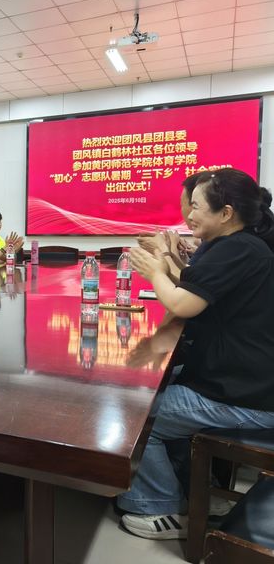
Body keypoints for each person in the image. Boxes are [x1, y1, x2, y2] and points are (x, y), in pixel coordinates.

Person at [119, 169, 274, 540]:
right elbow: (194, 287)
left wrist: (156, 270)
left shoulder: (238, 248)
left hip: (244, 395)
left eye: (197, 206)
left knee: (137, 414)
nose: (189, 214)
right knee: (147, 387)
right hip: (241, 382)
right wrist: (165, 263)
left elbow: (182, 304)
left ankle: (159, 506)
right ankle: (194, 491)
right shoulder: (236, 245)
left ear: (226, 213)